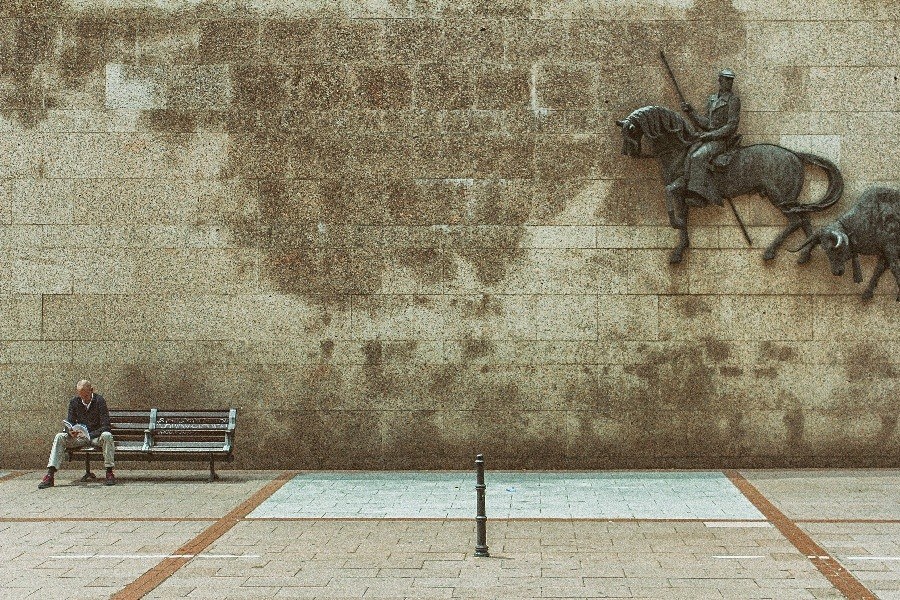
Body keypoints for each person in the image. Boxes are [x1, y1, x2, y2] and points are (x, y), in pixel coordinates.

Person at [680, 68, 741, 207]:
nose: (729, 82)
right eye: (726, 79)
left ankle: (698, 196)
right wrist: (691, 112)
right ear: (720, 80)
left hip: (722, 140)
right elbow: (707, 123)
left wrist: (711, 135)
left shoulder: (733, 100)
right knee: (689, 153)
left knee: (698, 157)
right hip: (709, 138)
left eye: (731, 80)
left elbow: (732, 126)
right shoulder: (712, 99)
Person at [38, 380, 115, 488]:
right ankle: (50, 475)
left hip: (96, 437)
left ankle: (109, 472)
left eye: (86, 395)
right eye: (81, 396)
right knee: (59, 437)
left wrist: (90, 434)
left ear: (92, 390)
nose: (84, 399)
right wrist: (70, 431)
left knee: (107, 435)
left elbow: (106, 425)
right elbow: (70, 422)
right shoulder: (74, 402)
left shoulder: (99, 401)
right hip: (80, 437)